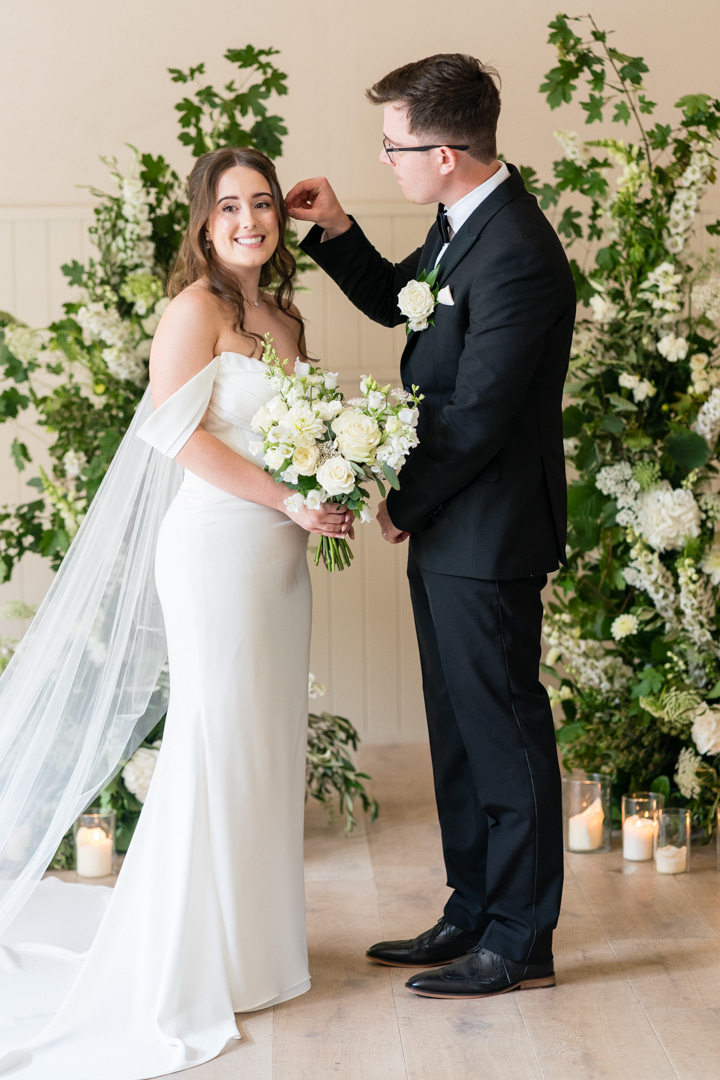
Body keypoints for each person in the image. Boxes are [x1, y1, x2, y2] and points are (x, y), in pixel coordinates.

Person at [0, 146, 351, 1078]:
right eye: (230, 206)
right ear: (202, 222)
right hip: (217, 551)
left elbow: (302, 438)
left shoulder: (282, 314)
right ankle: (191, 960)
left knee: (267, 742)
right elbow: (172, 432)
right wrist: (282, 499)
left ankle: (256, 957)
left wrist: (340, 485)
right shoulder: (194, 309)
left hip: (280, 557)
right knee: (216, 739)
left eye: (265, 204)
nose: (250, 221)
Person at [286, 53, 575, 999]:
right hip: (455, 520)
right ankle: (473, 907)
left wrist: (400, 499)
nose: (388, 161)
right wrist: (334, 230)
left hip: (489, 534)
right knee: (455, 726)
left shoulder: (520, 252)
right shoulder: (463, 224)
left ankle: (522, 936)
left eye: (395, 147)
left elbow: (484, 410)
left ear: (447, 153)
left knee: (503, 728)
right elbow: (402, 304)